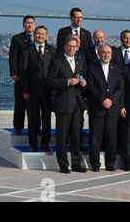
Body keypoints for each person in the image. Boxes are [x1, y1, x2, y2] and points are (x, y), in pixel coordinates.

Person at [46, 35, 88, 173]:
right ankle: (63, 164)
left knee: (76, 135)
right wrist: (66, 82)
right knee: (62, 136)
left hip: (78, 103)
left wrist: (84, 82)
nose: (71, 48)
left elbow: (84, 76)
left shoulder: (81, 60)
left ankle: (77, 163)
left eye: (74, 46)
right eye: (69, 46)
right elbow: (50, 81)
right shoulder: (57, 61)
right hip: (63, 103)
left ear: (77, 47)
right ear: (65, 47)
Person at [86, 45, 123, 172]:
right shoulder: (91, 68)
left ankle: (110, 163)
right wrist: (102, 100)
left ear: (111, 54)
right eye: (103, 53)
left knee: (111, 138)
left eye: (108, 52)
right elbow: (90, 87)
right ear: (99, 54)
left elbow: (120, 88)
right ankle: (95, 164)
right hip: (97, 108)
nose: (106, 55)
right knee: (95, 138)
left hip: (112, 110)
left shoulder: (117, 69)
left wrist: (111, 100)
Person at [20, 25, 57, 152]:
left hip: (48, 91)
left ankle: (45, 144)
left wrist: (54, 89)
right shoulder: (27, 50)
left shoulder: (52, 50)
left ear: (47, 36)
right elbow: (23, 71)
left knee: (46, 119)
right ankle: (33, 144)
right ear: (34, 35)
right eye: (38, 33)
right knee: (33, 119)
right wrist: (25, 90)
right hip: (32, 91)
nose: (40, 36)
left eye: (43, 34)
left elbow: (55, 71)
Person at [9, 15, 35, 133]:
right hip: (20, 76)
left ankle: (34, 127)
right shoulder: (17, 39)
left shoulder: (38, 38)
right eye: (27, 23)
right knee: (19, 103)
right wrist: (14, 73)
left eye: (32, 23)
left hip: (34, 77)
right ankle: (18, 126)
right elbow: (13, 57)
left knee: (33, 104)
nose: (30, 25)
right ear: (23, 25)